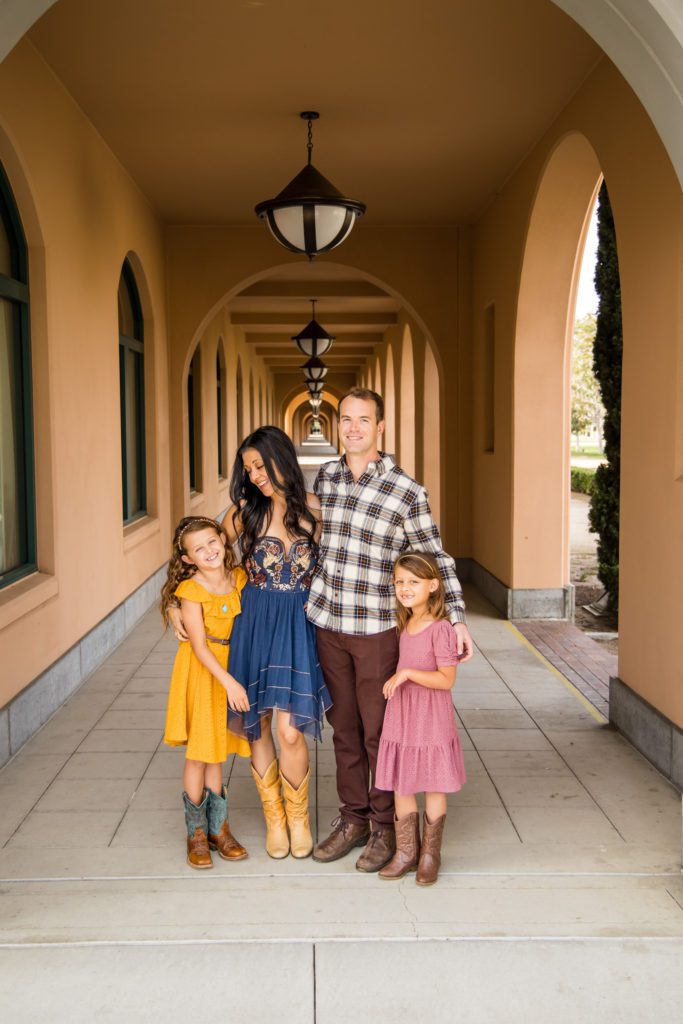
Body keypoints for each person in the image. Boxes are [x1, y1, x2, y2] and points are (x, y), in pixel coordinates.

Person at [308, 387, 473, 872]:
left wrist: (457, 618)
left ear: (380, 427)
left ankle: (384, 826)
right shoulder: (329, 476)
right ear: (337, 424)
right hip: (329, 621)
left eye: (364, 419)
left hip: (377, 628)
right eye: (346, 419)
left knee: (379, 731)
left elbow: (434, 558)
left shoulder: (406, 490)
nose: (353, 427)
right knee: (342, 727)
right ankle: (353, 817)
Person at [168, 427, 331, 859]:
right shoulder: (242, 515)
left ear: (282, 458)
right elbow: (207, 567)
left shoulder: (316, 512)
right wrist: (174, 605)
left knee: (289, 730)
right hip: (253, 622)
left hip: (299, 625)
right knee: (257, 724)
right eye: (248, 468)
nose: (255, 475)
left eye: (260, 464)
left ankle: (299, 818)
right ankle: (275, 819)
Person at [161, 516, 251, 870]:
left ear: (222, 539)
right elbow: (198, 646)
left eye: (212, 542)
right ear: (187, 560)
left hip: (231, 665)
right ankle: (196, 833)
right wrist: (228, 681)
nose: (209, 551)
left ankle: (219, 829)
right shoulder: (190, 590)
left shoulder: (239, 578)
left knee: (217, 752)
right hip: (204, 671)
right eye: (198, 549)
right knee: (199, 752)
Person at [375, 551, 466, 886]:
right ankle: (405, 851)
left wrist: (408, 673)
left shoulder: (440, 629)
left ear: (433, 585)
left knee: (433, 781)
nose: (405, 587)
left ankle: (430, 854)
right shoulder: (406, 622)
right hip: (403, 711)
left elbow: (447, 679)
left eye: (413, 582)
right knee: (402, 779)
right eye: (399, 582)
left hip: (430, 713)